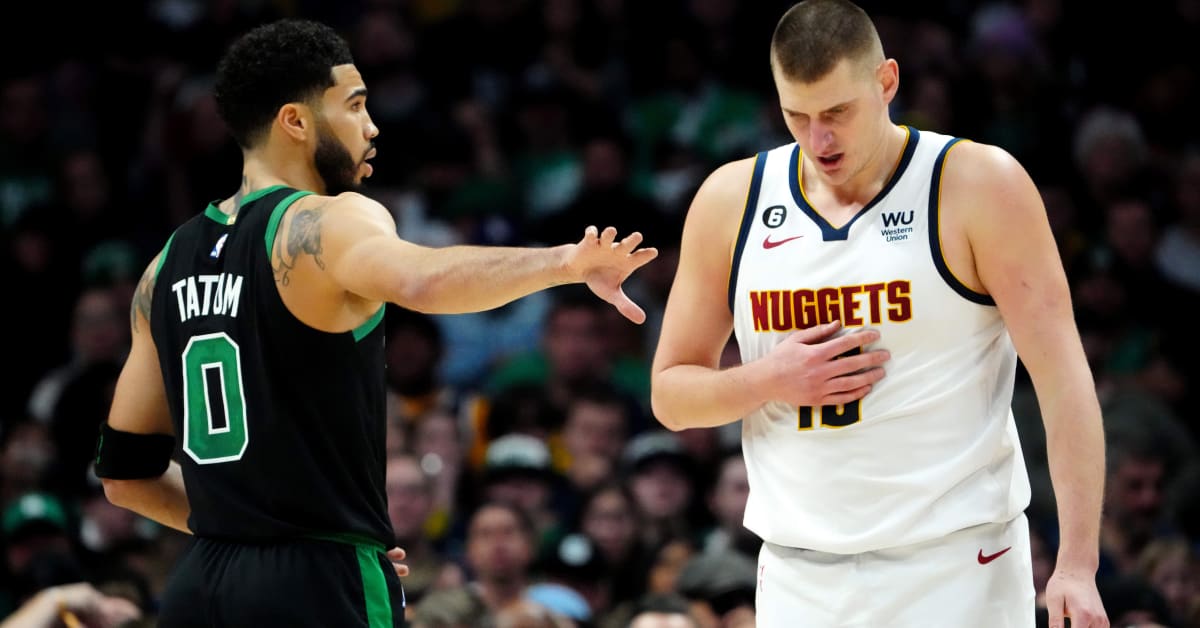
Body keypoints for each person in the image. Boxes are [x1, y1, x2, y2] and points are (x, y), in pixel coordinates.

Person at [93, 18, 657, 628]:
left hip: (199, 588)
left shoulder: (163, 267)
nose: (372, 126)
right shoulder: (328, 221)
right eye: (355, 105)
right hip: (314, 583)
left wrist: (238, 525)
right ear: (296, 121)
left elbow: (125, 475)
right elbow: (422, 281)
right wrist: (565, 263)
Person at [649, 1, 1107, 627]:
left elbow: (1063, 380)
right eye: (798, 116)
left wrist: (1077, 563)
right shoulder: (732, 199)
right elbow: (671, 397)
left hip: (958, 566)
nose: (819, 140)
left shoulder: (979, 184)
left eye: (837, 112)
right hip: (797, 574)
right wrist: (767, 379)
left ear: (886, 81)